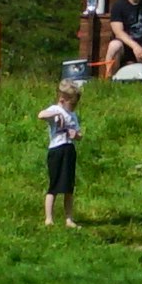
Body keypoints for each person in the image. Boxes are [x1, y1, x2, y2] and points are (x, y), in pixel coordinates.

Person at [40, 67, 83, 230]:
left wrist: (76, 135)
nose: (73, 107)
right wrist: (55, 116)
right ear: (63, 99)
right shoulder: (56, 109)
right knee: (55, 184)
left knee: (68, 186)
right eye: (72, 103)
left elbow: (79, 135)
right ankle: (49, 218)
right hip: (56, 150)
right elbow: (41, 115)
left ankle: (69, 218)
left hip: (69, 150)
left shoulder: (72, 115)